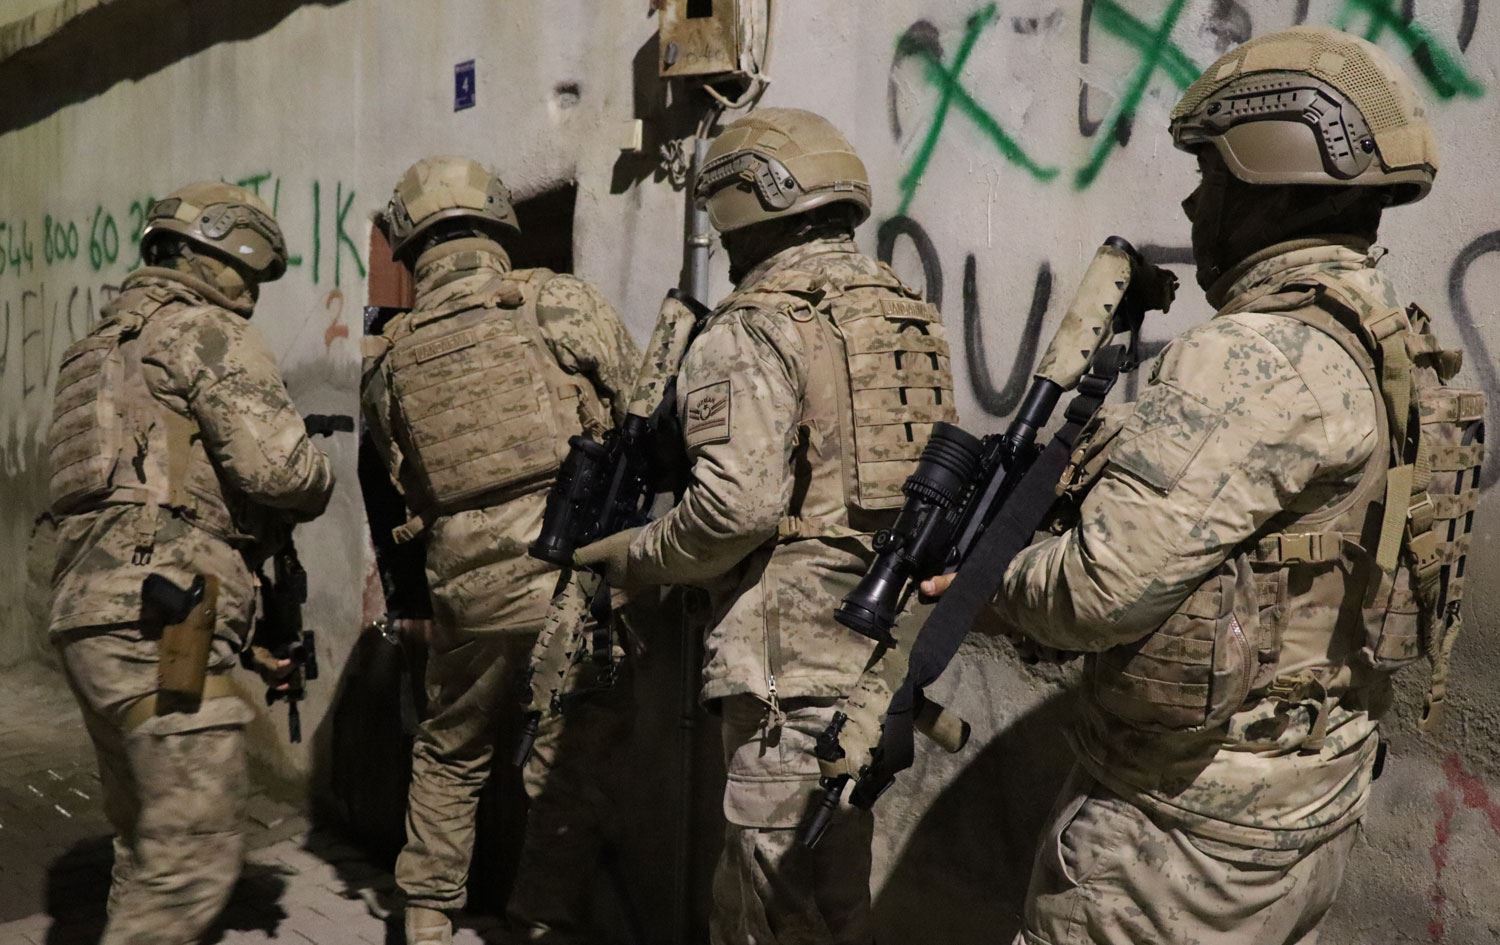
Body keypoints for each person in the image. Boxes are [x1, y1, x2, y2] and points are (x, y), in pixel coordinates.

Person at [925, 26, 1479, 945]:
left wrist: (988, 582)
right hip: (1308, 807)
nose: (1193, 200)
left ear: (1269, 187)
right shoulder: (1394, 338)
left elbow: (1100, 591)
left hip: (1178, 844)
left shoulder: (1252, 357)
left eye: (1212, 175)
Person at [574, 108, 959, 944]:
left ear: (742, 207)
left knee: (786, 913)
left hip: (791, 671)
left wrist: (638, 554)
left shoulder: (754, 324)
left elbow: (734, 509)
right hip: (881, 654)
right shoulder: (904, 316)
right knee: (795, 900)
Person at [46, 182, 335, 945]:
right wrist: (320, 471)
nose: (253, 293)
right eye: (252, 273)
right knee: (195, 852)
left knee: (149, 836)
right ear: (224, 255)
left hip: (91, 615)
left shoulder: (97, 348)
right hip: (163, 616)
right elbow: (282, 472)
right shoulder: (204, 328)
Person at [360, 155, 639, 945]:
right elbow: (640, 406)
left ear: (411, 245)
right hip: (569, 580)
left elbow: (397, 476)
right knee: (565, 769)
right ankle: (540, 923)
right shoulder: (557, 301)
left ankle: (426, 919)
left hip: (462, 586)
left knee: (450, 752)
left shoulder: (390, 356)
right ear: (496, 223)